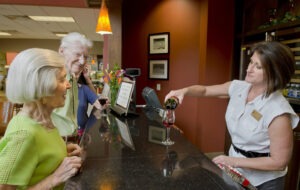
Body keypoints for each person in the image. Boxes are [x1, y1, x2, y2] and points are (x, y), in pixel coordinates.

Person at [165, 41, 299, 189]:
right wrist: (183, 91)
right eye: (251, 62)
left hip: (263, 181)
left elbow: (279, 162)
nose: (249, 69)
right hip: (235, 171)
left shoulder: (278, 113)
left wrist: (233, 161)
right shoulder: (239, 87)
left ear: (275, 73)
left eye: (258, 66)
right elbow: (205, 91)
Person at [0, 48, 82, 189]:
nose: (68, 85)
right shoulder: (24, 135)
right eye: (62, 79)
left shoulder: (44, 121)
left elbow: (36, 157)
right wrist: (55, 177)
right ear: (41, 87)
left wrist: (61, 153)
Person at [51, 32, 97, 137]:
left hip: (70, 139)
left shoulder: (72, 79)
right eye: (77, 54)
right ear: (61, 51)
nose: (82, 61)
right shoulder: (49, 78)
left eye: (85, 57)